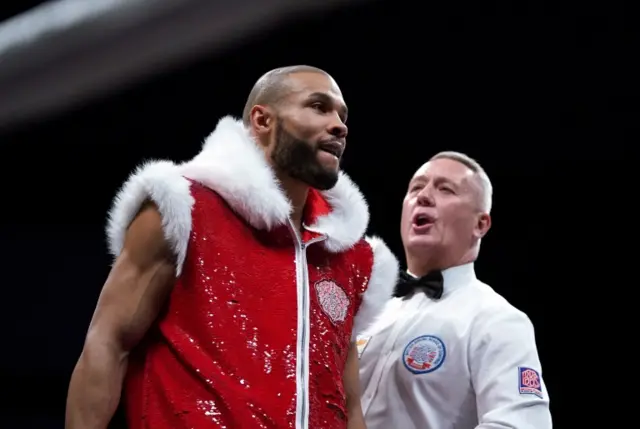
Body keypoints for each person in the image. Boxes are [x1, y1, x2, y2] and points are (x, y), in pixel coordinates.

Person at [65, 65, 399, 429]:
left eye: (342, 115)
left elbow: (348, 403)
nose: (339, 125)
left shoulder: (350, 257)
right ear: (262, 120)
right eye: (319, 107)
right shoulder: (184, 207)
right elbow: (107, 344)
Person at [357, 151, 552, 429]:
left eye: (445, 189)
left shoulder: (498, 320)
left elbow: (520, 425)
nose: (423, 196)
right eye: (415, 187)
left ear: (480, 224)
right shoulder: (368, 315)